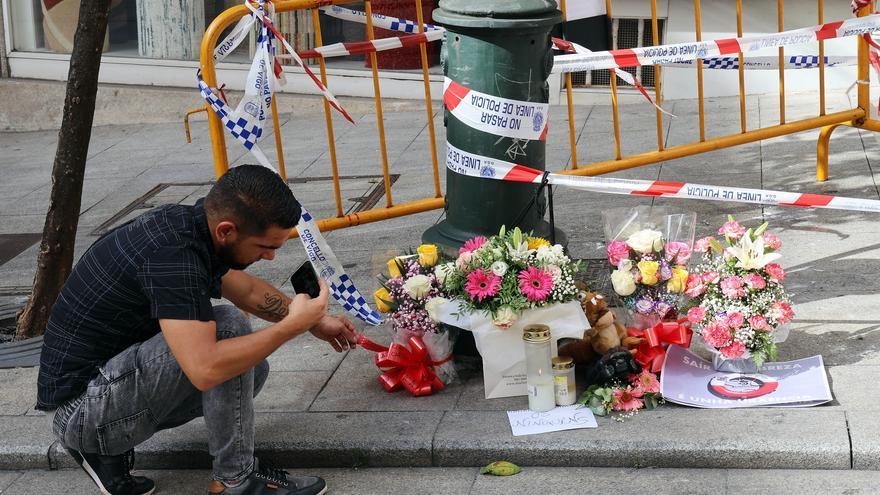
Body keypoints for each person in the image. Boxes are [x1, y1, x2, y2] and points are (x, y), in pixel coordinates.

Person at [36, 165, 357, 495]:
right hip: (81, 411)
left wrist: (315, 322)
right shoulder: (173, 257)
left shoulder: (195, 228)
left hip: (96, 392)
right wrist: (291, 327)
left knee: (251, 368)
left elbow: (246, 291)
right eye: (264, 246)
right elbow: (205, 370)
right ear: (226, 230)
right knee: (228, 331)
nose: (271, 256)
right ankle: (236, 480)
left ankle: (103, 450)